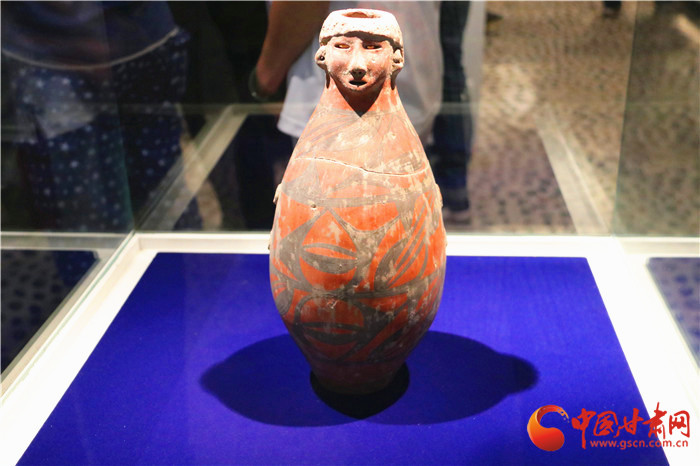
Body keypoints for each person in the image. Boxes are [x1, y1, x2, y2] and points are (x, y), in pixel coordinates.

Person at [251, 1, 443, 145]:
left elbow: (302, 6)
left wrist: (266, 77)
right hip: (416, 80)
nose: (358, 67)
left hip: (328, 113)